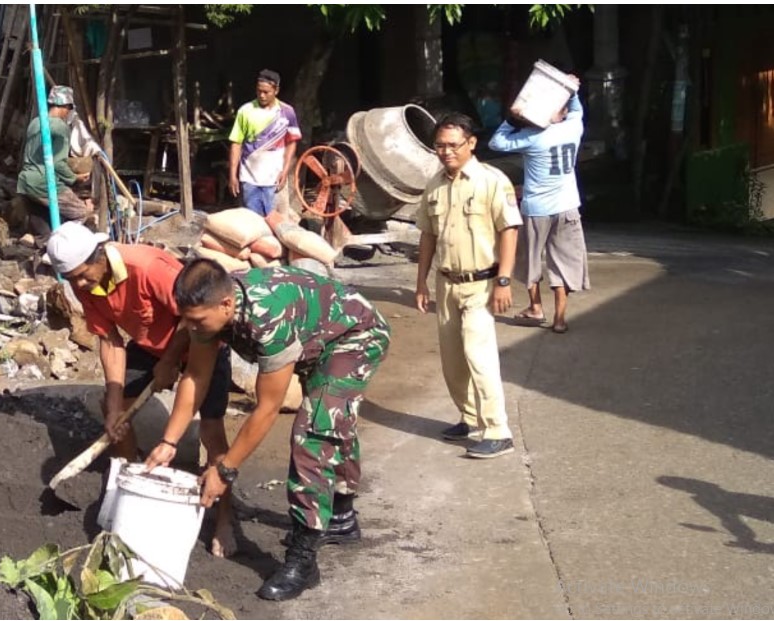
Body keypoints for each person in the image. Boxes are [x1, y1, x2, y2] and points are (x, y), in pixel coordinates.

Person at [145, 260, 390, 601]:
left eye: (196, 320)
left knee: (314, 432)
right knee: (333, 420)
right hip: (315, 337)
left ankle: (303, 561)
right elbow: (196, 378)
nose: (189, 327)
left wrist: (224, 469)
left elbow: (267, 408)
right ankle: (342, 518)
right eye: (185, 318)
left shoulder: (267, 318)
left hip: (354, 336)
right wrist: (169, 441)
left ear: (226, 305)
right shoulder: (208, 318)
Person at [43, 222, 238, 557]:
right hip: (150, 347)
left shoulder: (148, 268)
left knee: (211, 431)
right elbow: (110, 340)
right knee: (115, 412)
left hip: (201, 339)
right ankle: (129, 489)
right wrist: (116, 407)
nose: (79, 285)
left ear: (100, 254)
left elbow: (190, 315)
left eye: (83, 275)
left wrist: (172, 360)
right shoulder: (85, 284)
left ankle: (225, 519)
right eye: (72, 278)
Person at [415, 113, 523, 459]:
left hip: (482, 283)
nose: (446, 152)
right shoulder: (434, 185)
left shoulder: (492, 181)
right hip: (447, 282)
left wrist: (504, 280)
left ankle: (497, 430)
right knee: (452, 360)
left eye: (453, 145)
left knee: (480, 356)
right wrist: (421, 283)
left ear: (471, 143)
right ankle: (470, 417)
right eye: (439, 146)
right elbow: (427, 235)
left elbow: (509, 230)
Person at [488, 86, 590, 334]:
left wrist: (512, 118)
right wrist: (572, 91)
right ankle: (560, 318)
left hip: (537, 209)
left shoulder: (533, 137)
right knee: (563, 262)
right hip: (568, 206)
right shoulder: (573, 128)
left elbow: (496, 142)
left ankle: (535, 307)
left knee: (530, 259)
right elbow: (577, 109)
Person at [17, 86, 92, 236]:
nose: (69, 113)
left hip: (25, 181)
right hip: (43, 182)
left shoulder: (35, 122)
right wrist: (74, 178)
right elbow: (57, 163)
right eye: (69, 108)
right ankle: (64, 246)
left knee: (44, 223)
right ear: (65, 107)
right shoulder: (60, 127)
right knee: (82, 213)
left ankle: (43, 247)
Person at [228, 69, 301, 217]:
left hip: (275, 179)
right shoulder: (245, 111)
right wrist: (232, 175)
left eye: (266, 92)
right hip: (249, 179)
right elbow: (236, 143)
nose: (262, 95)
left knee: (276, 222)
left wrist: (285, 170)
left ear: (276, 90)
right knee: (253, 222)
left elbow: (292, 142)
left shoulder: (287, 112)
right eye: (259, 91)